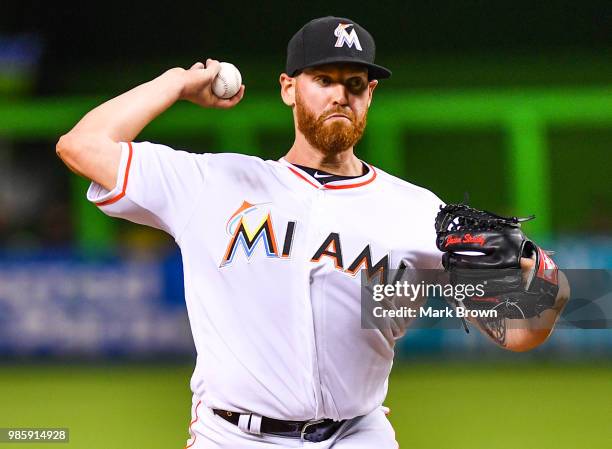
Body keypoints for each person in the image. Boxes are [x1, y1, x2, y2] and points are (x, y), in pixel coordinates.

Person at [56, 16, 569, 449]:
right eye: (324, 79)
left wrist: (545, 273)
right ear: (288, 88)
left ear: (370, 95)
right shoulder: (212, 183)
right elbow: (81, 145)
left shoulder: (418, 213)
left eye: (354, 83)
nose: (340, 94)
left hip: (358, 434)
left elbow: (522, 333)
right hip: (233, 436)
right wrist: (174, 82)